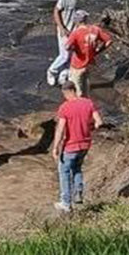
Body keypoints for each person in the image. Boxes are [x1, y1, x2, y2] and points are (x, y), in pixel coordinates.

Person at [51, 80, 103, 212]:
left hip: (71, 145)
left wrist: (55, 147)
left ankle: (66, 203)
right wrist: (92, 127)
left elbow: (61, 129)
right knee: (77, 168)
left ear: (67, 92)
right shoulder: (88, 103)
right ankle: (78, 193)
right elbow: (99, 122)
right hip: (85, 144)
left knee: (64, 171)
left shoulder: (65, 107)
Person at [46, 0, 92, 87]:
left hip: (73, 31)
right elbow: (56, 11)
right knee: (64, 55)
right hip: (64, 30)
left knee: (71, 55)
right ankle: (51, 71)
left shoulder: (77, 0)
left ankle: (63, 76)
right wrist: (62, 28)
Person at [65, 12, 113, 97]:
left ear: (76, 21)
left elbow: (67, 47)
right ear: (85, 19)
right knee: (86, 87)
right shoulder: (95, 29)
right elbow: (109, 41)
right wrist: (97, 51)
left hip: (77, 64)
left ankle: (80, 107)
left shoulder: (76, 33)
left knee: (77, 90)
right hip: (89, 63)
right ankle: (86, 102)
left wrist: (75, 48)